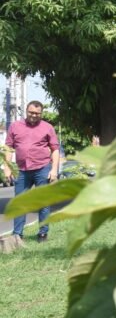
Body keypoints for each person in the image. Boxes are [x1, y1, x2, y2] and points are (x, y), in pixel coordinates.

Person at [1, 101, 60, 251]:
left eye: (37, 113)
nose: (34, 115)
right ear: (26, 111)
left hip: (42, 168)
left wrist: (54, 170)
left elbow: (55, 149)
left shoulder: (48, 127)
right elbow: (8, 148)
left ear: (41, 113)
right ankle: (17, 235)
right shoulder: (15, 126)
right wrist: (7, 167)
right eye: (31, 112)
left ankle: (43, 233)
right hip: (22, 170)